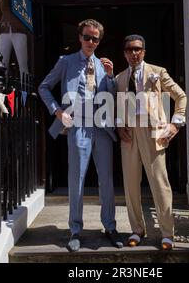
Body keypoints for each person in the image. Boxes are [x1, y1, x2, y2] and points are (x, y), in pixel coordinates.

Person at [38, 19, 123, 252]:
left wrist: (111, 76)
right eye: (87, 37)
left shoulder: (102, 64)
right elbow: (43, 87)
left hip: (102, 128)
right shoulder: (66, 62)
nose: (91, 42)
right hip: (78, 126)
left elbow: (113, 96)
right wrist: (57, 111)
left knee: (106, 180)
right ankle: (75, 229)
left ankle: (110, 227)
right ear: (80, 37)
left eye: (95, 38)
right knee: (77, 180)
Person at [114, 34, 187, 250]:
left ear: (144, 51)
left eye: (137, 49)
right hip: (129, 135)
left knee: (159, 183)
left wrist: (175, 124)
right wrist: (119, 126)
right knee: (130, 184)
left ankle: (167, 233)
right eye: (129, 49)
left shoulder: (158, 72)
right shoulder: (119, 78)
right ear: (124, 53)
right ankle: (137, 229)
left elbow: (180, 96)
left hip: (152, 132)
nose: (133, 53)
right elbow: (119, 105)